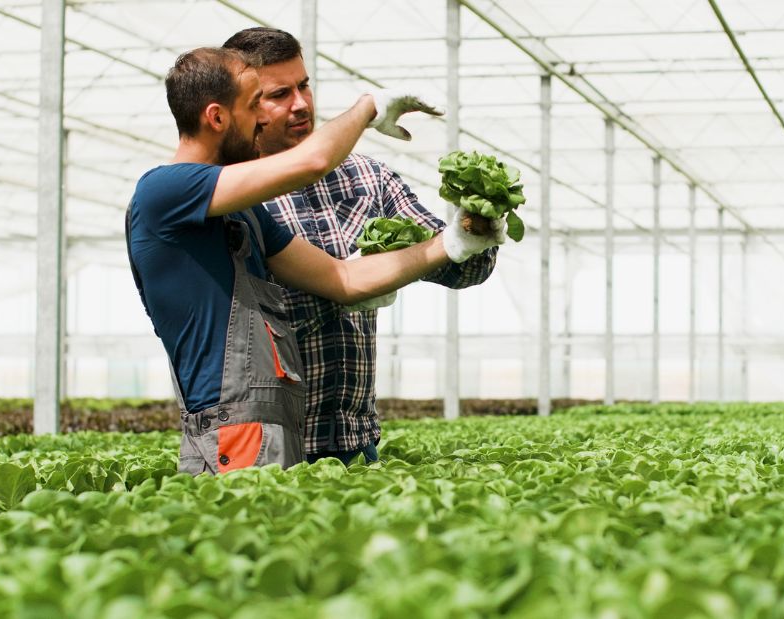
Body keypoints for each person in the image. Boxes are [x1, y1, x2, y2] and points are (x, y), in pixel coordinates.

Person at [126, 47, 504, 475]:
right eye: (256, 106)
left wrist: (452, 243)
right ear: (216, 118)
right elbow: (313, 161)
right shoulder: (164, 191)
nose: (264, 120)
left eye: (303, 86)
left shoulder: (245, 214)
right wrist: (368, 108)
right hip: (233, 427)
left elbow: (342, 277)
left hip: (275, 425)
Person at [222, 28, 499, 466]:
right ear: (242, 104)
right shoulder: (227, 189)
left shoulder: (368, 178)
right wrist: (354, 282)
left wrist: (472, 230)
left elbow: (461, 267)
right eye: (279, 94)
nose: (301, 104)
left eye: (304, 86)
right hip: (263, 447)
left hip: (353, 439)